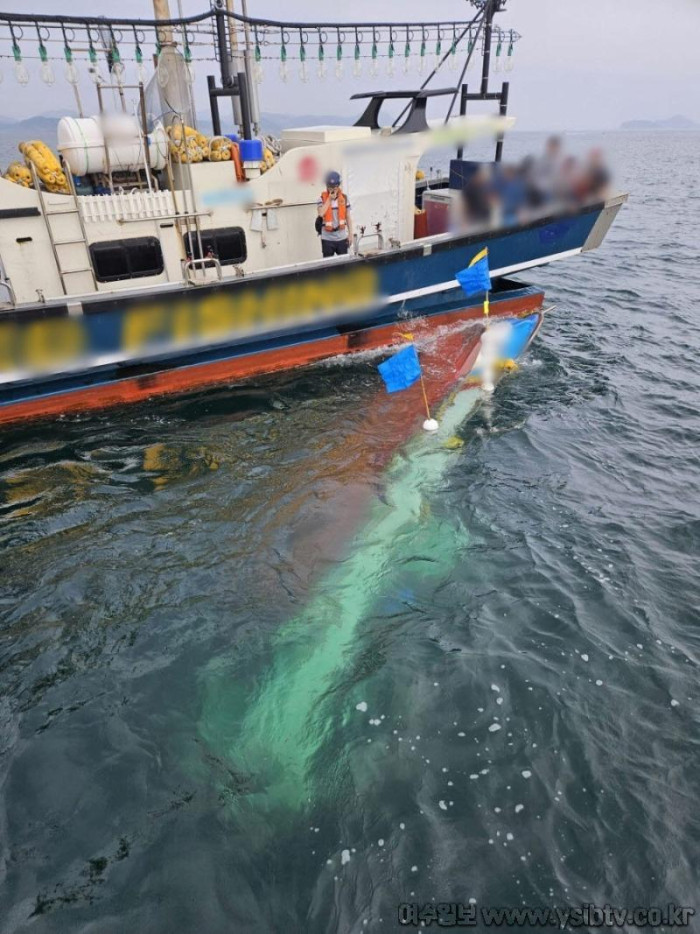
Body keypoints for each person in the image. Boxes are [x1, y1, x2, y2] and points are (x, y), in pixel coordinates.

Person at [317, 171, 353, 257]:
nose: (333, 189)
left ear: (338, 186)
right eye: (330, 187)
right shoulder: (321, 199)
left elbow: (348, 217)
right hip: (327, 239)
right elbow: (320, 213)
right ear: (327, 186)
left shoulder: (344, 198)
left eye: (335, 187)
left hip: (341, 237)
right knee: (328, 265)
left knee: (344, 264)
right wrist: (329, 200)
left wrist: (350, 234)